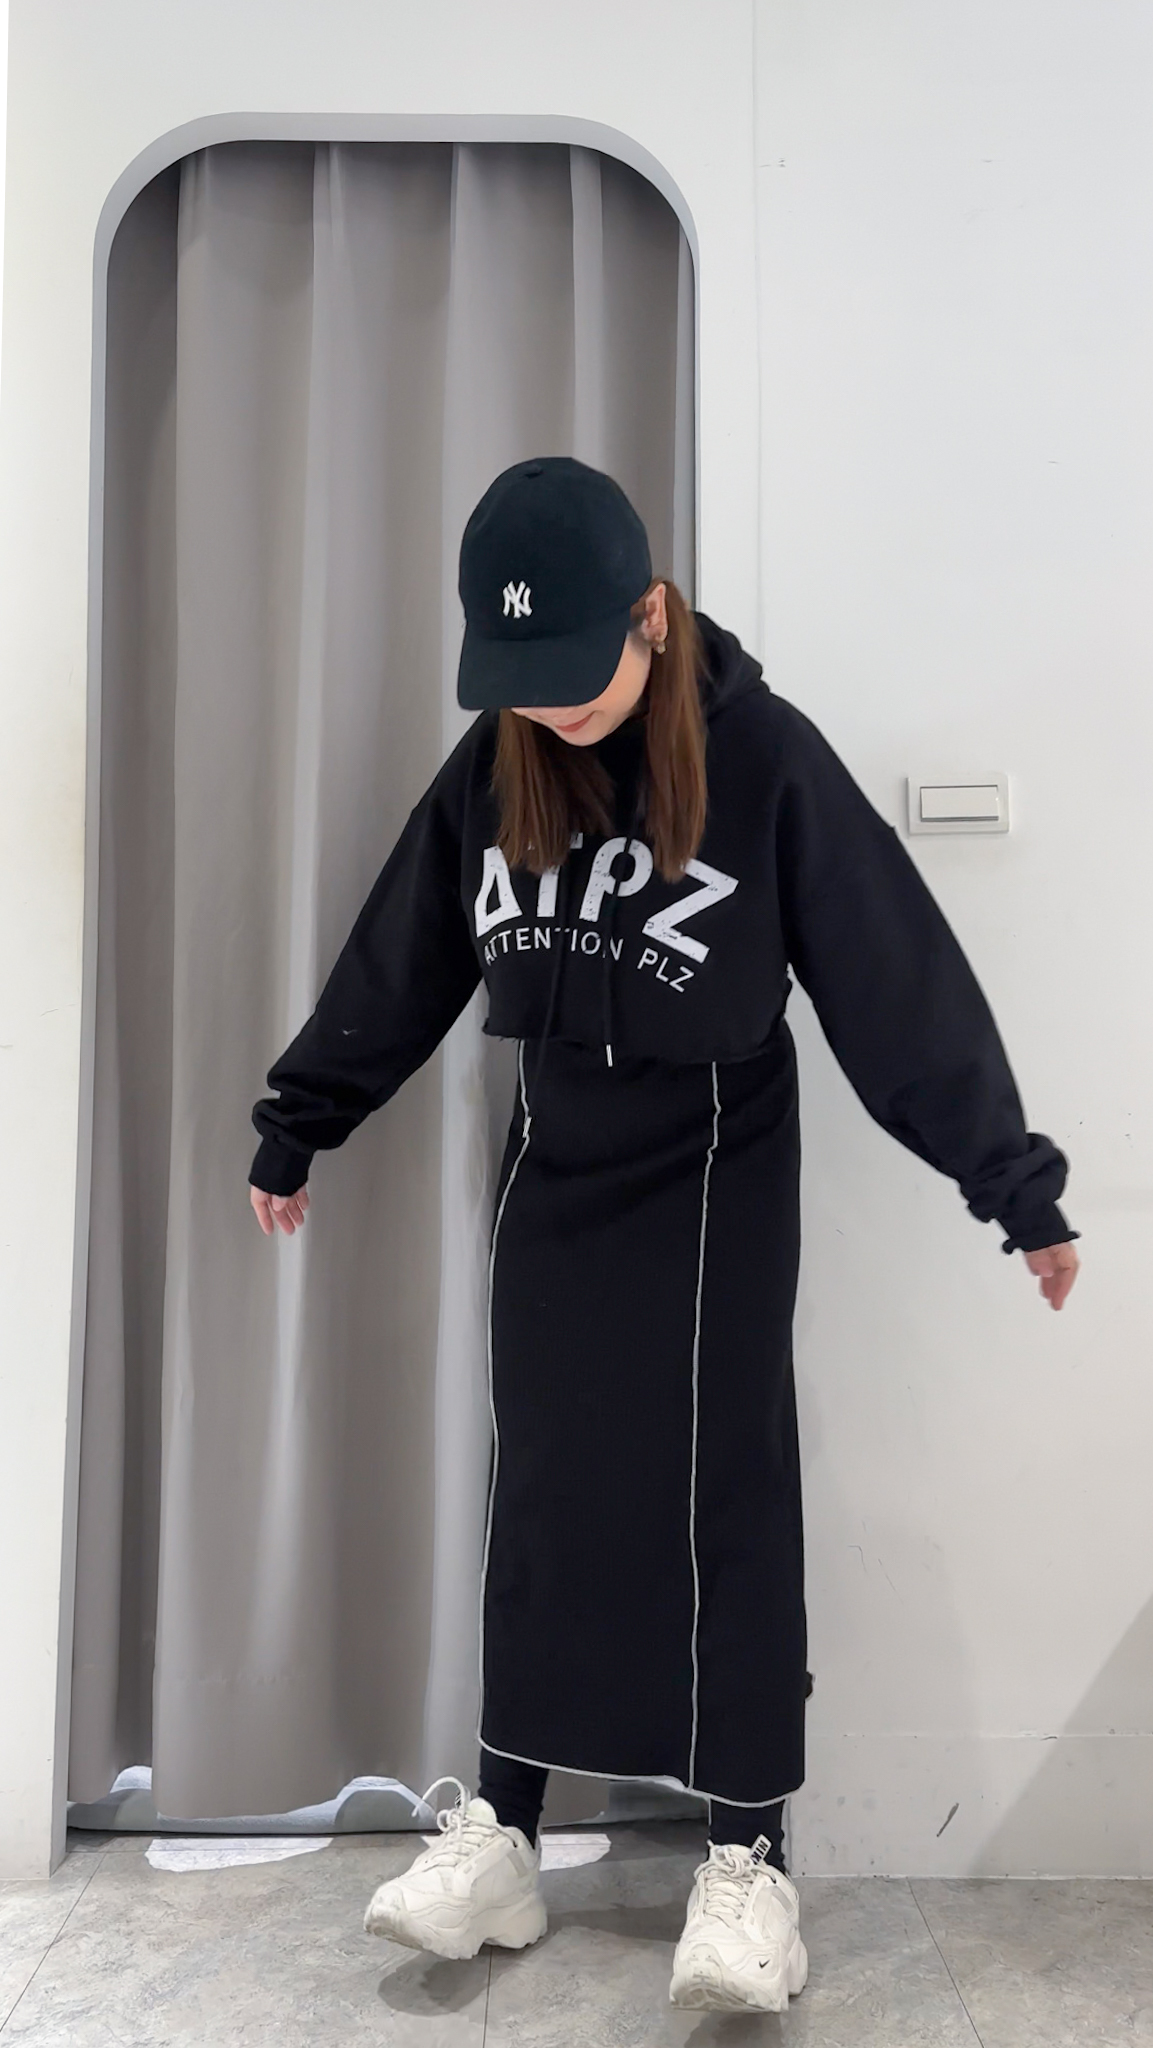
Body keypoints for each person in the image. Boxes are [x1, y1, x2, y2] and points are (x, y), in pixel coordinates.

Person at [248, 454, 1081, 2015]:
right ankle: (502, 1832)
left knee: (722, 1503)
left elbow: (891, 979)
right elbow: (404, 949)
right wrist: (304, 1116)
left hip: (712, 1174)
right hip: (552, 1169)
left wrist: (1008, 1183)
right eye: (523, 679)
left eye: (576, 669)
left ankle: (748, 1859)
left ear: (649, 616)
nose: (553, 706)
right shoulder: (501, 758)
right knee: (542, 1496)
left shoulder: (762, 757)